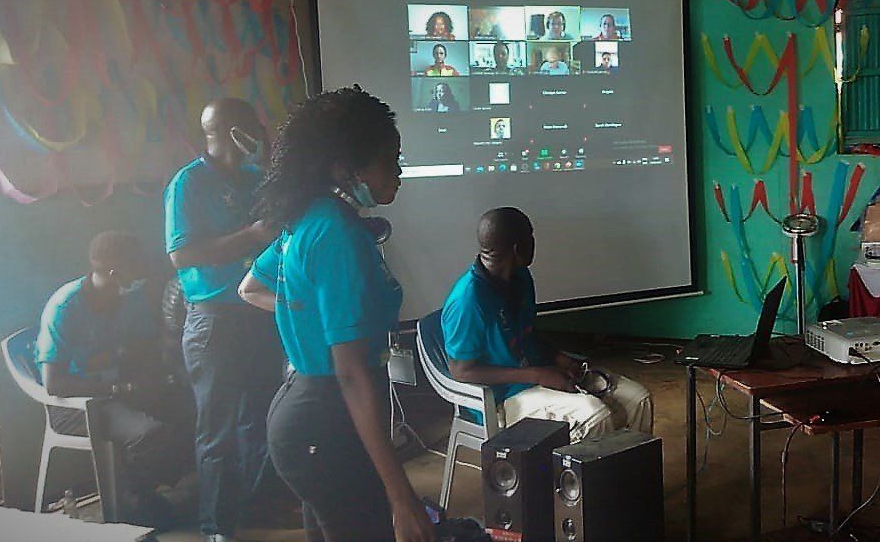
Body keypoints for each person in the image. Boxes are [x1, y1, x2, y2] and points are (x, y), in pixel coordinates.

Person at [238, 87, 434, 542]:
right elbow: (351, 375)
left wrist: (312, 320)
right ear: (346, 169)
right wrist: (401, 498)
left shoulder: (311, 217)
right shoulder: (336, 233)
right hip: (325, 421)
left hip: (304, 412)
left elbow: (253, 287)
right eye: (390, 160)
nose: (399, 172)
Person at [164, 98, 285, 542]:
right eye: (253, 127)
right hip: (214, 320)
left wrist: (271, 157)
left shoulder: (256, 179)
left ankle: (257, 509)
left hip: (258, 311)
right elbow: (182, 255)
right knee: (218, 431)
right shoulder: (188, 183)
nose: (259, 131)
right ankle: (218, 527)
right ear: (231, 131)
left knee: (260, 419)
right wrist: (251, 236)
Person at [441, 208, 653, 442]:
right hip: (502, 398)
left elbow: (526, 334)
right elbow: (461, 371)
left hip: (540, 373)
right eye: (530, 237)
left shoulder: (520, 278)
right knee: (595, 416)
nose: (534, 243)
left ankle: (629, 473)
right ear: (516, 248)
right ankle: (589, 478)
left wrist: (560, 359)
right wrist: (536, 374)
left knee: (638, 399)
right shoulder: (468, 300)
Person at [36, 231, 191, 527]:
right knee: (147, 433)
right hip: (79, 404)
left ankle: (146, 493)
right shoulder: (65, 307)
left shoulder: (128, 301)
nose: (142, 272)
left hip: (118, 392)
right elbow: (54, 383)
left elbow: (145, 346)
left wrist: (152, 381)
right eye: (136, 266)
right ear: (113, 272)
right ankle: (130, 505)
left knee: (188, 410)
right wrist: (119, 387)